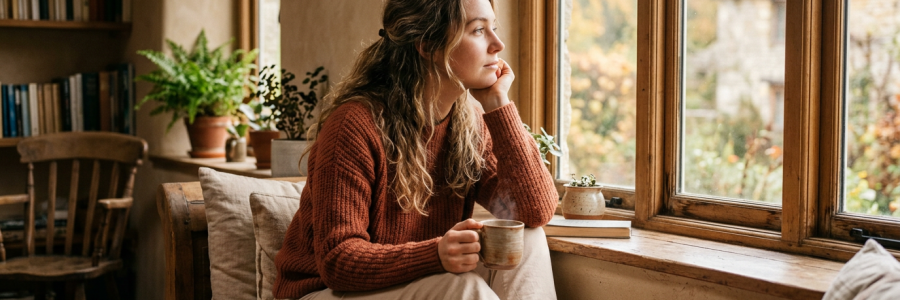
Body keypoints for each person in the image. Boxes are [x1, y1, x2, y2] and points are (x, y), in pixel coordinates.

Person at [273, 0, 559, 299]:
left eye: (494, 28)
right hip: (323, 291)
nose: (497, 44)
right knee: (461, 286)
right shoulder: (354, 125)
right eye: (478, 30)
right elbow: (338, 262)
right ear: (427, 45)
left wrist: (498, 105)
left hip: (412, 283)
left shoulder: (468, 123)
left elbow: (534, 211)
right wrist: (435, 255)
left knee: (528, 238)